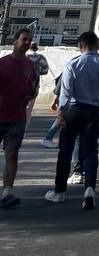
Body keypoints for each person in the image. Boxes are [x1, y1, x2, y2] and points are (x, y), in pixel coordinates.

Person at [45, 30, 99, 209]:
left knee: (65, 151)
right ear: (96, 45)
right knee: (91, 151)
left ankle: (59, 191)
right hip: (94, 111)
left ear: (81, 46)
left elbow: (66, 92)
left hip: (74, 110)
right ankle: (89, 189)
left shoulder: (73, 63)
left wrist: (61, 113)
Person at [0, 28, 39, 209]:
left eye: (29, 40)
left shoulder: (30, 66)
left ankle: (7, 191)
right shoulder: (3, 63)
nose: (27, 43)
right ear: (15, 41)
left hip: (17, 118)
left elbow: (33, 89)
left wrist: (31, 93)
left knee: (12, 153)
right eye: (24, 39)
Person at [24, 41, 49, 126]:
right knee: (29, 108)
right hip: (35, 84)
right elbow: (45, 70)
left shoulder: (25, 56)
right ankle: (25, 127)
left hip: (23, 83)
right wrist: (38, 72)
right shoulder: (41, 57)